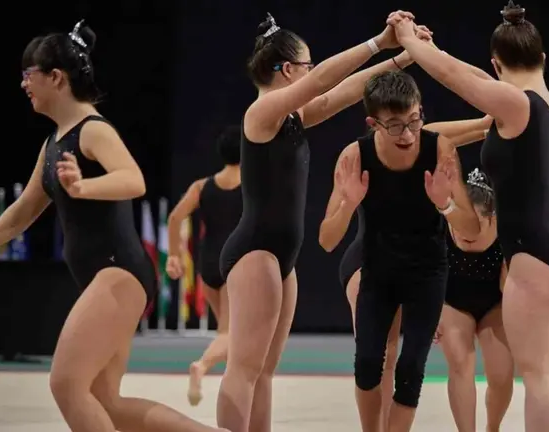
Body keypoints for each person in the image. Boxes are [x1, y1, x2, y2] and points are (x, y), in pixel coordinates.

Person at [0, 20, 226, 432]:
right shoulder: (54, 142)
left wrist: (84, 187)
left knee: (66, 384)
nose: (24, 84)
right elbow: (28, 206)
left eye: (28, 74)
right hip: (108, 275)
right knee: (106, 403)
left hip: (118, 271)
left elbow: (133, 180)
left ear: (56, 78)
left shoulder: (93, 129)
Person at [216, 12, 432, 432]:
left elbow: (345, 92)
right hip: (255, 251)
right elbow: (321, 83)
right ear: (288, 70)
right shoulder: (261, 113)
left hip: (281, 258)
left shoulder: (292, 117)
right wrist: (378, 42)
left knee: (264, 372)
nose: (313, 72)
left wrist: (403, 57)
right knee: (244, 369)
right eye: (308, 64)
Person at [388, 4, 549, 431]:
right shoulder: (548, 104)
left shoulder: (516, 104)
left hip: (535, 257)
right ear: (542, 58)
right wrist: (432, 47)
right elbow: (472, 77)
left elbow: (455, 78)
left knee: (539, 380)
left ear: (497, 63)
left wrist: (406, 40)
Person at [322, 69, 481, 432]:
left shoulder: (440, 149)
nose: (408, 134)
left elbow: (471, 229)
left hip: (427, 272)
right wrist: (348, 204)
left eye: (414, 120)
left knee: (410, 369)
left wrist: (446, 205)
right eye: (395, 126)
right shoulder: (355, 156)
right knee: (368, 364)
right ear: (373, 124)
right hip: (377, 271)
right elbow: (326, 240)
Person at [165, 125, 242, 406]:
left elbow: (175, 218)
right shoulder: (253, 184)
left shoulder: (202, 186)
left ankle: (233, 390)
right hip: (236, 262)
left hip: (208, 262)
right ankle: (202, 366)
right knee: (230, 333)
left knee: (230, 333)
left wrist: (174, 255)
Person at [433, 168, 514, 432]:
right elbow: (422, 273)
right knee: (460, 364)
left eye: (475, 223)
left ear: (492, 217)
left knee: (501, 374)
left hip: (495, 302)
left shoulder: (507, 231)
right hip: (452, 300)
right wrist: (427, 313)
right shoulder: (439, 226)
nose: (466, 231)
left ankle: (493, 427)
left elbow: (512, 287)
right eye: (461, 222)